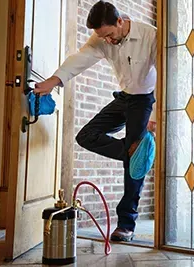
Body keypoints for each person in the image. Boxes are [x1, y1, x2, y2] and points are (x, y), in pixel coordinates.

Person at [34, 0, 157, 242]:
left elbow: (165, 73)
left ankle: (126, 224)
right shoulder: (100, 39)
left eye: (110, 34)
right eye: (103, 37)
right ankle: (134, 155)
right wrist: (52, 81)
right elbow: (78, 60)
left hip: (144, 100)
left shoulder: (149, 36)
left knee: (131, 171)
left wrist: (156, 114)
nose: (108, 41)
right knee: (86, 136)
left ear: (120, 21)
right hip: (124, 97)